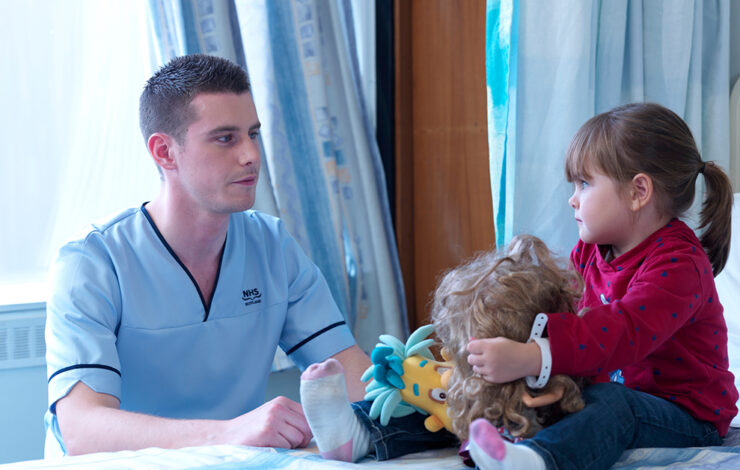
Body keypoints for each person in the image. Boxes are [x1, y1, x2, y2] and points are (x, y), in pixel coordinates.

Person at [44, 54, 370, 457]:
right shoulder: (90, 263)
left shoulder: (272, 245)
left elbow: (354, 375)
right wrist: (230, 432)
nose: (251, 154)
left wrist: (449, 393)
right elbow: (82, 430)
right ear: (164, 152)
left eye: (254, 134)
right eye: (225, 138)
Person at [465, 102, 738, 470]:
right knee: (508, 393)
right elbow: (569, 315)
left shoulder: (680, 265)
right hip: (608, 392)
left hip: (686, 416)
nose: (572, 198)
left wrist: (534, 356)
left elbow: (623, 330)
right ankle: (378, 430)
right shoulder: (591, 251)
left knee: (613, 403)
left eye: (584, 183)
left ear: (638, 191)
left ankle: (541, 461)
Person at [299, 234, 587, 464]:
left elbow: (558, 396)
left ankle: (521, 459)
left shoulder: (543, 371)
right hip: (464, 420)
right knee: (419, 410)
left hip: (514, 428)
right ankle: (355, 433)